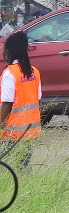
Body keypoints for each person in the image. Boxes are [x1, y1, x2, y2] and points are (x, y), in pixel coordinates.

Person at [0, 32, 42, 166]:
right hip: (31, 131)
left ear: (8, 52)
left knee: (7, 169)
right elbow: (38, 99)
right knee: (23, 166)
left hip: (12, 133)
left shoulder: (9, 73)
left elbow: (7, 104)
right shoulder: (34, 71)